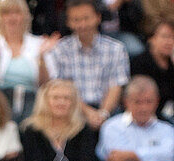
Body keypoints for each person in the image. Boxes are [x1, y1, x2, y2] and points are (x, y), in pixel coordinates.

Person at [43, 0, 129, 131]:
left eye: (86, 18)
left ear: (98, 17)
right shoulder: (60, 49)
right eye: (76, 20)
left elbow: (116, 86)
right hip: (73, 112)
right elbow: (61, 86)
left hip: (108, 112)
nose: (82, 24)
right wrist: (88, 113)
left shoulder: (116, 49)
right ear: (68, 22)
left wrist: (103, 114)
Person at [96, 76, 174, 161]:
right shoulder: (111, 127)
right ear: (126, 102)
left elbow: (168, 160)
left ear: (157, 101)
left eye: (148, 102)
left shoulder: (168, 130)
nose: (143, 108)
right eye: (138, 102)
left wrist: (130, 156)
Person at [0, 0, 54, 124]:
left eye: (17, 12)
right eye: (6, 13)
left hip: (32, 103)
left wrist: (41, 58)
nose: (12, 18)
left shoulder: (38, 43)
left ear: (26, 16)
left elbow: (46, 85)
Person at [130, 21, 174, 126]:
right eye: (165, 37)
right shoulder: (139, 63)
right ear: (151, 39)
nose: (169, 42)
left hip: (172, 119)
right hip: (146, 120)